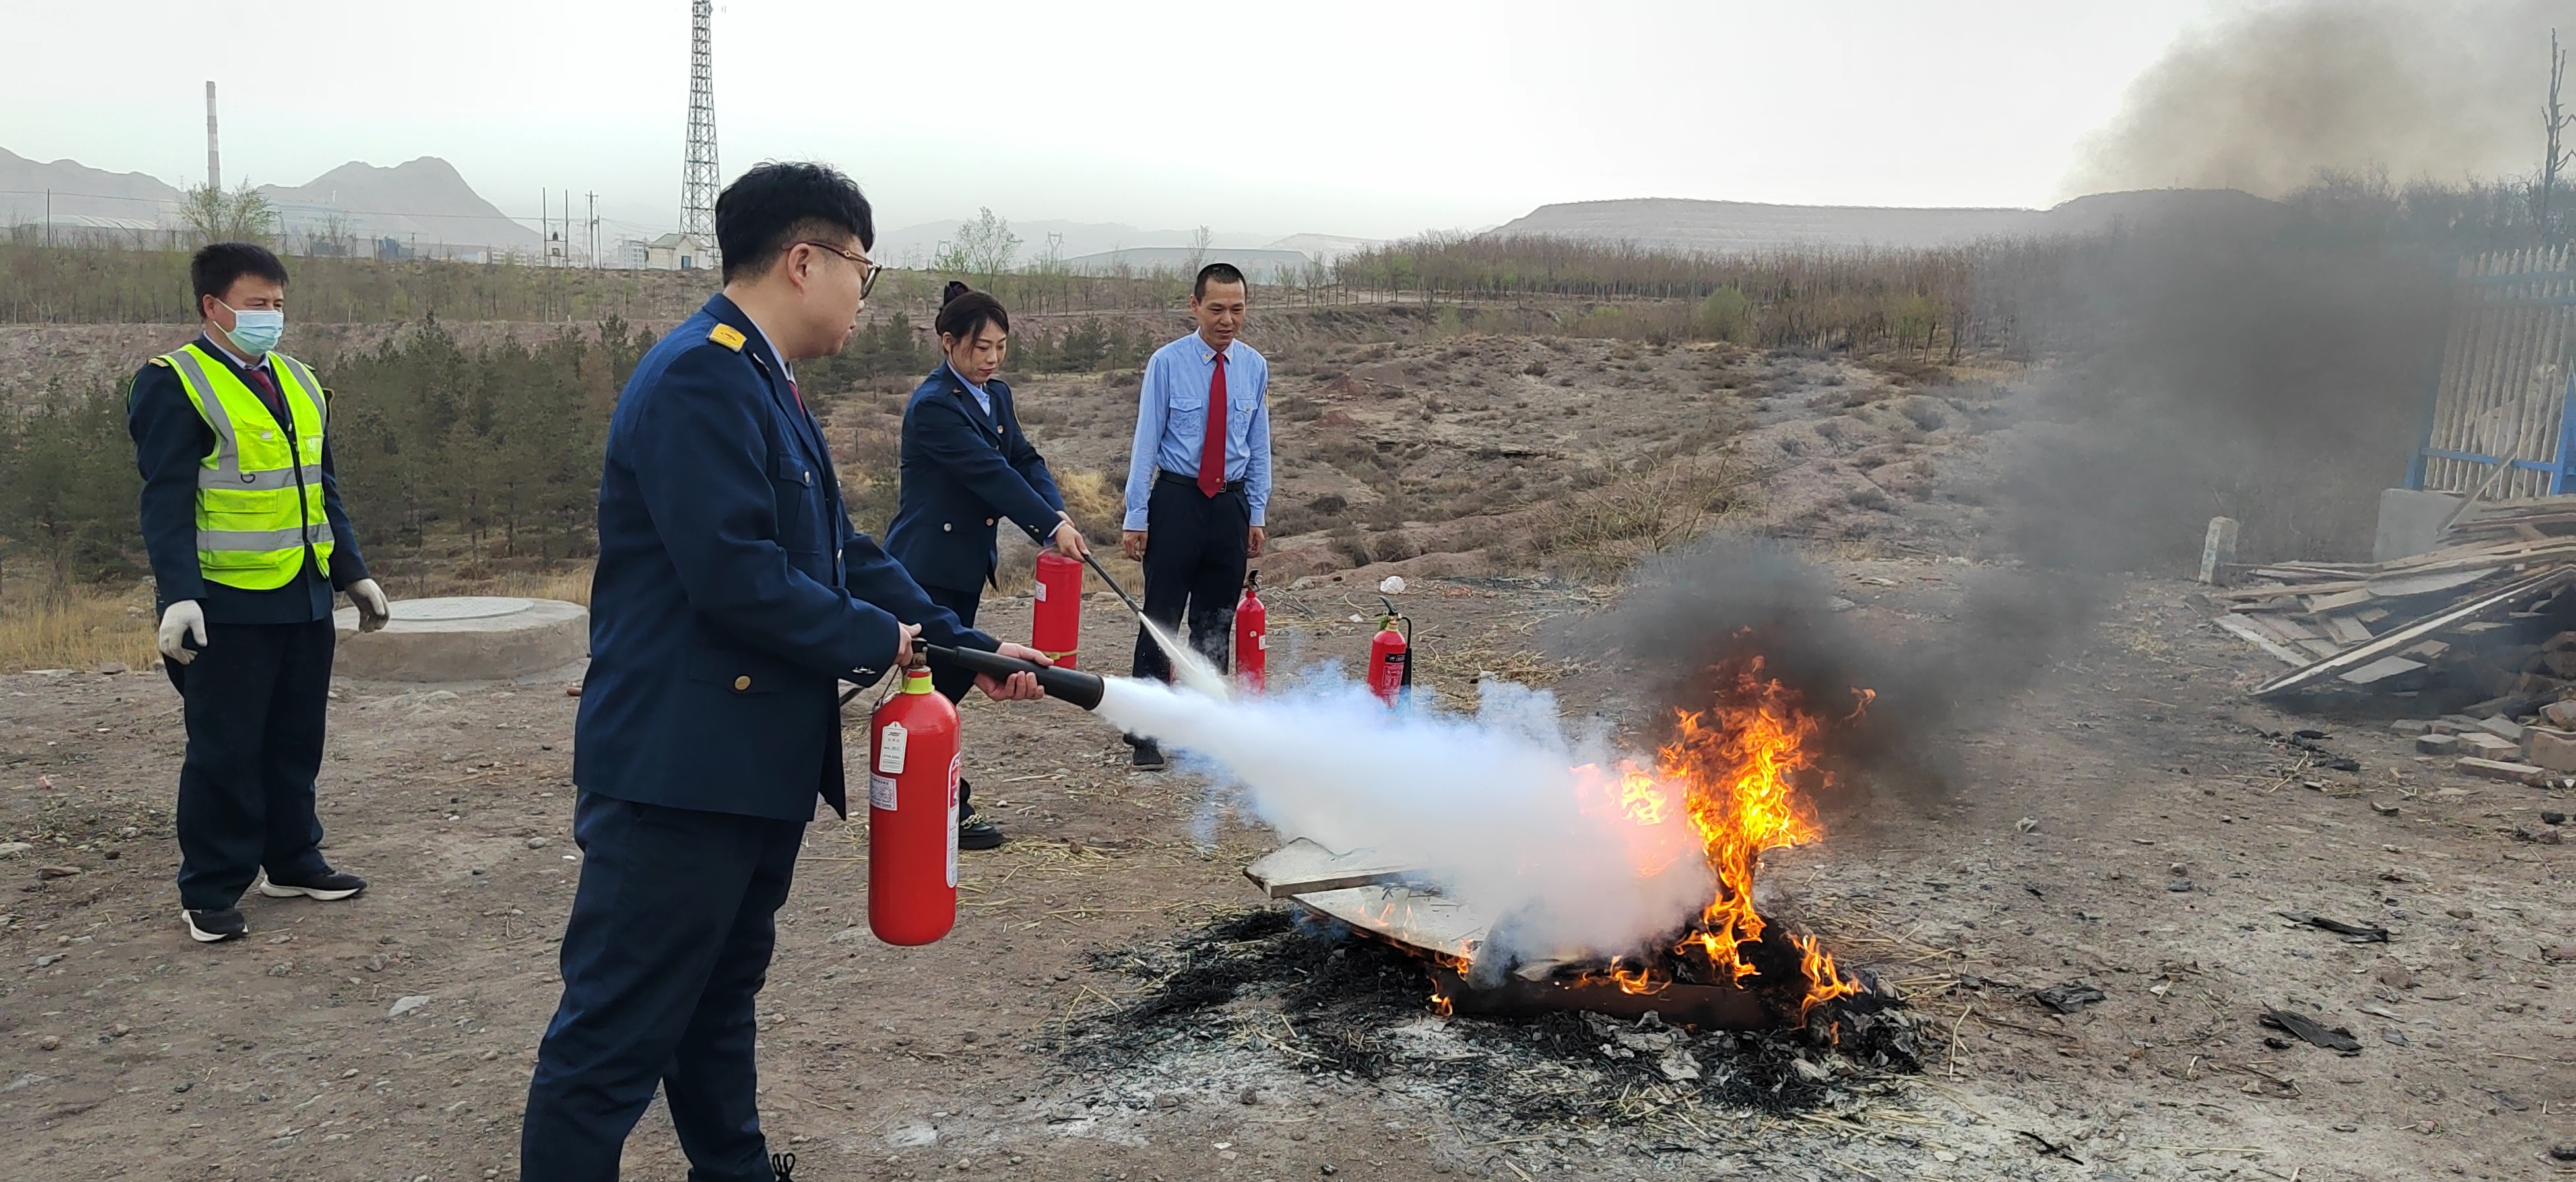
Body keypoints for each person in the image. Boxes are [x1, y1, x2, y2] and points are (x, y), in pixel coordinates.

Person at [519, 162, 1056, 1182]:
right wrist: (882, 642)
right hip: (679, 775)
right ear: (804, 261)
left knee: (717, 1004)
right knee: (614, 1039)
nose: (867, 290)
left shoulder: (761, 379)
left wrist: (962, 645)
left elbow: (837, 549)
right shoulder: (699, 375)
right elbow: (738, 576)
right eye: (863, 267)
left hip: (744, 767)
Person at [125, 241, 391, 945]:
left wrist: (351, 572)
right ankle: (210, 888)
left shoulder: (300, 380)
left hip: (302, 595)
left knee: (295, 741)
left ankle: (293, 858)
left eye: (277, 304)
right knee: (225, 749)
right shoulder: (175, 382)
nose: (270, 317)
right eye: (255, 305)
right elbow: (167, 500)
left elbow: (320, 487)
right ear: (214, 308)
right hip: (225, 604)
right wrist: (178, 594)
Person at [886, 281, 1089, 849]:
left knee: (945, 687)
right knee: (936, 688)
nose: (992, 359)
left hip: (966, 564)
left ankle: (932, 796)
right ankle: (944, 803)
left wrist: (1057, 511)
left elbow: (1023, 458)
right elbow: (991, 476)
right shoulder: (934, 407)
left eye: (1001, 346)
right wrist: (1049, 528)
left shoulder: (994, 396)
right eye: (981, 348)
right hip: (927, 566)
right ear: (947, 343)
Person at [1118, 262, 1270, 769]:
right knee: (1161, 614)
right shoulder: (1167, 364)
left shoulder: (1253, 367)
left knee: (1215, 620)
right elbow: (1145, 442)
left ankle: (1205, 728)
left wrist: (1257, 511)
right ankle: (1146, 730)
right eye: (1217, 309)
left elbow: (1259, 445)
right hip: (1178, 501)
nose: (1227, 320)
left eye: (1237, 309)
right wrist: (1136, 515)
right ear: (1195, 306)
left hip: (1229, 504)